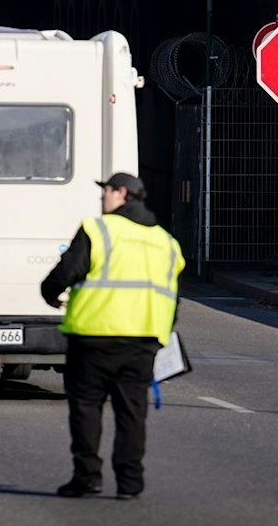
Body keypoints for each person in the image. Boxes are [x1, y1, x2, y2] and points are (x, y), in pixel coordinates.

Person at [40, 172, 184, 502]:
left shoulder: (98, 229)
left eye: (105, 191)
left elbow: (65, 272)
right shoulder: (167, 242)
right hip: (143, 340)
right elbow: (173, 297)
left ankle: (87, 477)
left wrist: (49, 293)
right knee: (132, 413)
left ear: (121, 193)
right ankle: (130, 483)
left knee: (86, 408)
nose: (102, 197)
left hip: (94, 336)